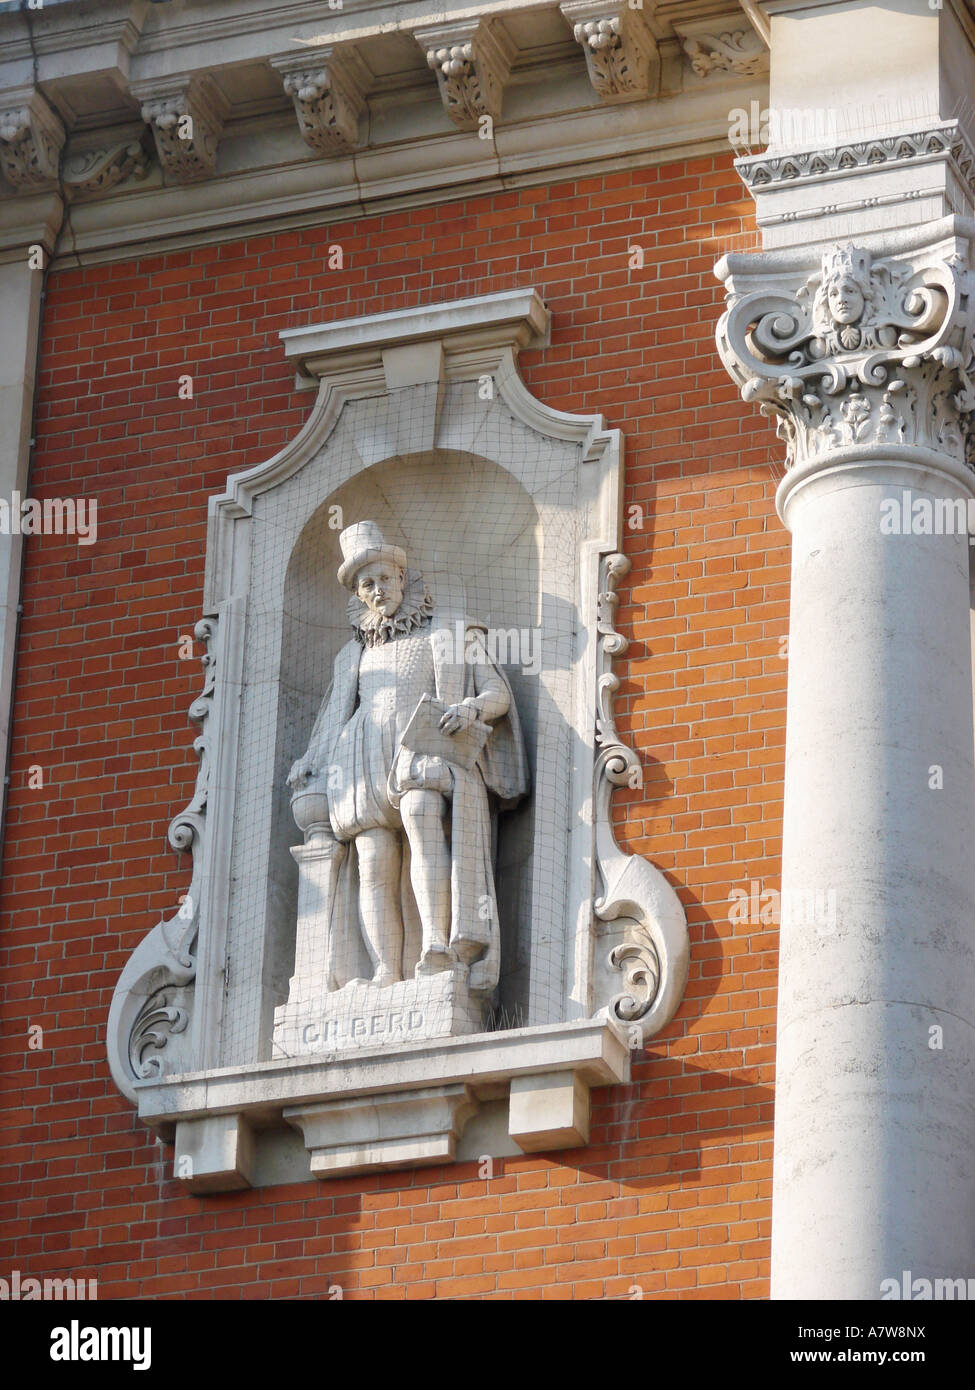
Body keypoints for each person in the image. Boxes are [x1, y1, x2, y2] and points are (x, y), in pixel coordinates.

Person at [287, 521, 528, 997]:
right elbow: (333, 716)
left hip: (424, 747)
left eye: (384, 579)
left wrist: (469, 708)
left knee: (420, 817)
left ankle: (437, 945)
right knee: (373, 859)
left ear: (403, 578)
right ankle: (384, 971)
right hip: (361, 759)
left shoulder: (449, 630)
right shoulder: (352, 653)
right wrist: (312, 760)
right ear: (359, 594)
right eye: (367, 584)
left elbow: (497, 692)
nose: (378, 591)